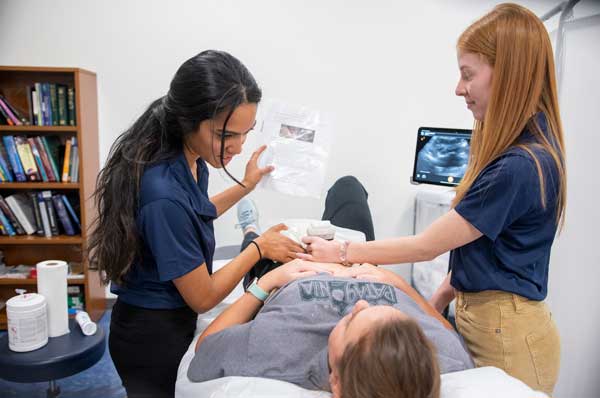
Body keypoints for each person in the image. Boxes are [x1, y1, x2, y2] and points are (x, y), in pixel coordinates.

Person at [298, 4, 565, 395]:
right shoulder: (517, 151)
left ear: (507, 74)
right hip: (485, 320)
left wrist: (340, 254)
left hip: (508, 337)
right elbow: (482, 249)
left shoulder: (520, 166)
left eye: (467, 75)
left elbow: (426, 247)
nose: (459, 88)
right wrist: (437, 302)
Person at [87, 50, 304, 397]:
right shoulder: (162, 192)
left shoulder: (188, 157)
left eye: (245, 134)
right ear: (189, 119)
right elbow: (203, 297)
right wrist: (259, 247)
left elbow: (195, 212)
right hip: (150, 338)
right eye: (225, 135)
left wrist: (245, 186)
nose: (236, 147)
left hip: (166, 320)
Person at [187, 177, 473, 398]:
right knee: (349, 186)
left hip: (290, 271)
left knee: (261, 249)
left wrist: (269, 282)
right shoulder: (427, 362)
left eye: (351, 322)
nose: (361, 305)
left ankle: (250, 231)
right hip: (361, 262)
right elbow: (450, 336)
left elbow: (205, 348)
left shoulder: (274, 351)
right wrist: (400, 285)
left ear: (335, 383)